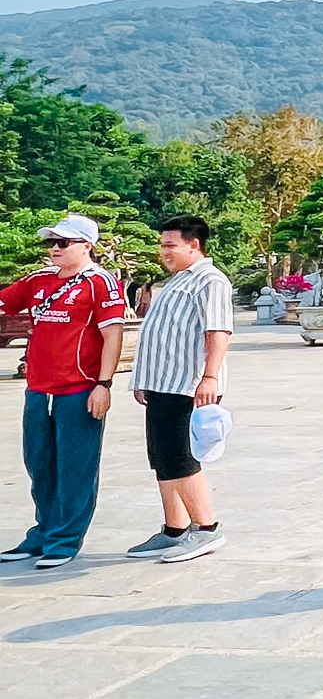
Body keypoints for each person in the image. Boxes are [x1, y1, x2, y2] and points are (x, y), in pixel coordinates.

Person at [0, 214, 126, 570]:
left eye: (64, 243)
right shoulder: (38, 280)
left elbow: (113, 336)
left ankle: (65, 539)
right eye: (51, 242)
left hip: (79, 389)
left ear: (87, 246)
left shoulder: (100, 282)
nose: (55, 249)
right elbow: (5, 302)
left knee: (75, 466)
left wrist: (103, 384)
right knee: (39, 463)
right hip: (39, 388)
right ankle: (43, 532)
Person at [128, 215, 234, 563]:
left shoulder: (210, 281)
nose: (164, 252)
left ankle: (207, 528)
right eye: (162, 245)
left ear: (194, 245)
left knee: (181, 457)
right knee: (162, 458)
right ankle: (175, 528)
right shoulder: (176, 281)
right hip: (162, 384)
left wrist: (210, 377)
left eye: (170, 245)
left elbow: (218, 331)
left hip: (187, 385)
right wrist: (143, 380)